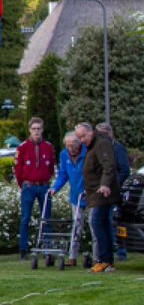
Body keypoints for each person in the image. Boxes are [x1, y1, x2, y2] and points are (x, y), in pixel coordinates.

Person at [76, 122, 120, 273]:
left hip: (102, 192)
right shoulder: (93, 145)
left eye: (83, 136)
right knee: (102, 224)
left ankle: (104, 260)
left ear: (91, 132)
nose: (81, 140)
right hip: (96, 192)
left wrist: (105, 184)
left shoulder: (101, 143)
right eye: (79, 137)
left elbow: (109, 165)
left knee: (97, 223)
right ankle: (106, 261)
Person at [15, 117, 56, 260]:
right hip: (29, 186)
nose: (36, 131)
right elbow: (18, 169)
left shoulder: (48, 147)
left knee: (46, 218)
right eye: (34, 129)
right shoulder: (23, 147)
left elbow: (51, 167)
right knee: (25, 218)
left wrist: (49, 180)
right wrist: (22, 185)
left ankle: (47, 248)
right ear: (30, 130)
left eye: (39, 129)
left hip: (44, 186)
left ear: (42, 130)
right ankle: (23, 249)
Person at [49, 131, 86, 267]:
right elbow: (63, 174)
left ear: (79, 144)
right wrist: (55, 188)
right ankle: (72, 256)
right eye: (68, 146)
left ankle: (98, 257)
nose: (71, 148)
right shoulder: (64, 154)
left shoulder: (87, 153)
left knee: (95, 228)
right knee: (76, 226)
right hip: (76, 196)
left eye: (73, 145)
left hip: (90, 194)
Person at [95, 122, 131, 262]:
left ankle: (120, 251)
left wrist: (113, 184)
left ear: (110, 133)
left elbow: (124, 170)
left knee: (112, 220)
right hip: (103, 191)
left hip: (113, 191)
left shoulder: (117, 149)